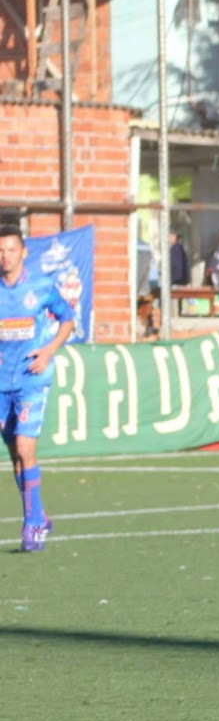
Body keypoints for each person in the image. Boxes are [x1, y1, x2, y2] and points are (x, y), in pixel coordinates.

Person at [0, 224, 76, 552]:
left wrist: (48, 351)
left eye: (11, 250)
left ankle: (31, 525)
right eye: (0, 251)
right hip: (2, 383)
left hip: (32, 379)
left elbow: (68, 319)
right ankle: (39, 514)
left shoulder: (42, 286)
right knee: (15, 454)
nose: (5, 256)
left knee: (26, 447)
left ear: (23, 252)